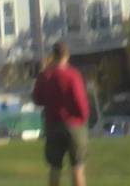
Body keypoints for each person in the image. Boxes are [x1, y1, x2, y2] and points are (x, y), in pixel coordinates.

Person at [32, 42, 90, 186]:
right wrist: (84, 117)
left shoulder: (44, 75)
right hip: (74, 124)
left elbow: (37, 99)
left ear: (54, 55)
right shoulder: (73, 75)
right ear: (67, 55)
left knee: (55, 167)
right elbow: (79, 99)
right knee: (77, 166)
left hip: (52, 124)